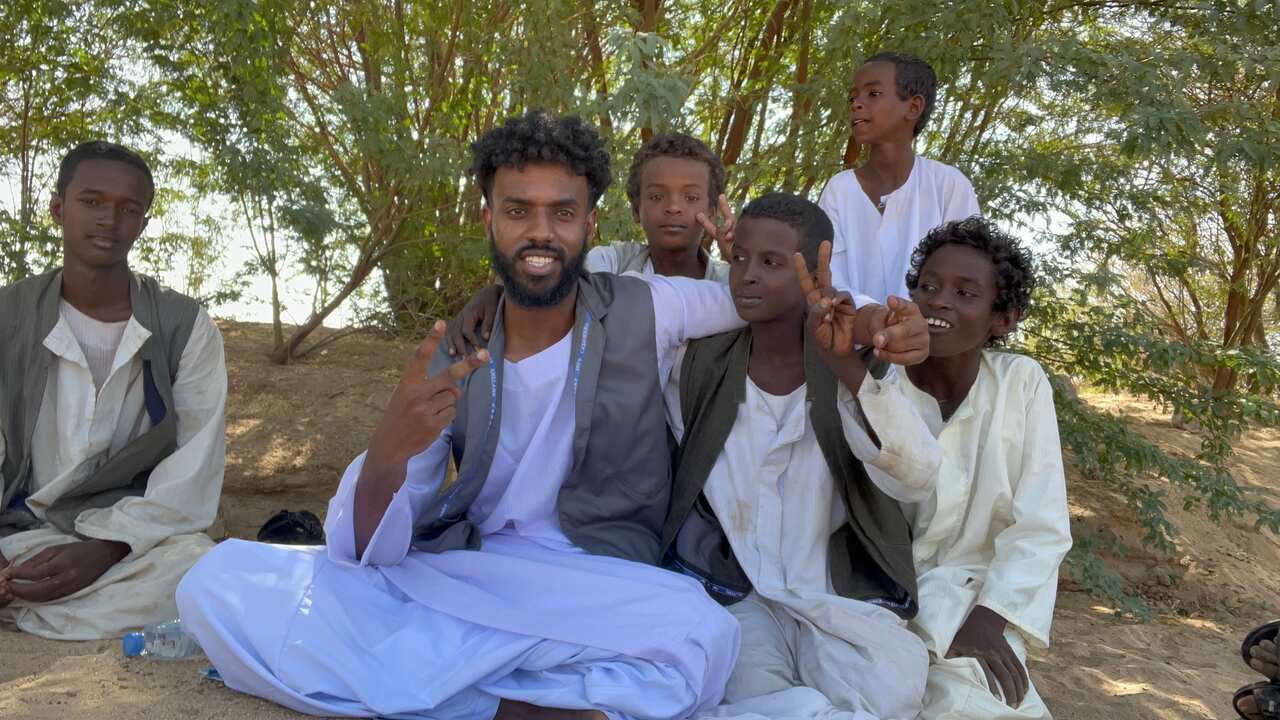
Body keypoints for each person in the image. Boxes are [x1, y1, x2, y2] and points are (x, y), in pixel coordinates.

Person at [176, 111, 745, 720]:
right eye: (518, 210)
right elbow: (367, 552)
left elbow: (759, 298)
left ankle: (454, 690)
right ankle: (513, 705)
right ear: (489, 220)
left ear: (589, 223)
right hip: (476, 573)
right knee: (216, 582)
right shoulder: (453, 352)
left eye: (562, 212)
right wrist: (389, 453)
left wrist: (749, 259)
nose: (541, 233)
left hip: (596, 585)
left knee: (702, 632)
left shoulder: (650, 306)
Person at [662, 193, 938, 720]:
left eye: (770, 263)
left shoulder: (854, 367)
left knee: (894, 689)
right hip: (734, 591)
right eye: (739, 257)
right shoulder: (696, 365)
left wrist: (848, 367)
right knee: (743, 692)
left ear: (816, 273)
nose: (746, 275)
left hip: (833, 593)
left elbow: (917, 477)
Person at [0, 141, 227, 641]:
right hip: (18, 533)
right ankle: (33, 593)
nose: (110, 220)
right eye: (92, 201)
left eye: (129, 209)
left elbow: (193, 468)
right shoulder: (8, 315)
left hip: (131, 535)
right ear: (59, 208)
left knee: (200, 569)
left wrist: (107, 547)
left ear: (143, 222)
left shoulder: (184, 326)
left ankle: (23, 604)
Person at [899, 217, 1071, 719]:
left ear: (1004, 319)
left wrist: (990, 619)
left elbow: (1041, 526)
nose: (939, 301)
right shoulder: (878, 380)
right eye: (927, 286)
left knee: (974, 699)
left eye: (965, 292)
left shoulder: (1020, 384)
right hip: (879, 594)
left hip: (979, 599)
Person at [445, 131, 736, 356]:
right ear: (636, 210)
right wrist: (497, 293)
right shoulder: (610, 265)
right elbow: (553, 278)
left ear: (712, 211)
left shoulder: (729, 284)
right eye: (657, 197)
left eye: (691, 197)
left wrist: (743, 262)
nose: (673, 208)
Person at [818, 52, 980, 303]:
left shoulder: (948, 185)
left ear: (913, 107)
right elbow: (829, 276)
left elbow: (966, 275)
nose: (856, 104)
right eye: (853, 96)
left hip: (928, 338)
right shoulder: (839, 190)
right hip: (852, 335)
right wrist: (869, 317)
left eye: (873, 94)